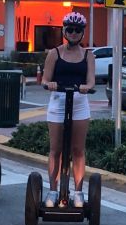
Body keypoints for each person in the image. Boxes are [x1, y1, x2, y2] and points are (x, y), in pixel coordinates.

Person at [41, 11, 96, 208]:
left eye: (77, 30)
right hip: (58, 102)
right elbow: (45, 79)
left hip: (80, 103)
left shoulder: (88, 55)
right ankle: (53, 190)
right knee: (56, 149)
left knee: (78, 150)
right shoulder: (54, 53)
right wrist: (50, 84)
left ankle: (79, 191)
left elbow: (91, 80)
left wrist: (87, 87)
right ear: (64, 31)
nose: (73, 33)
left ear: (82, 33)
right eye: (70, 29)